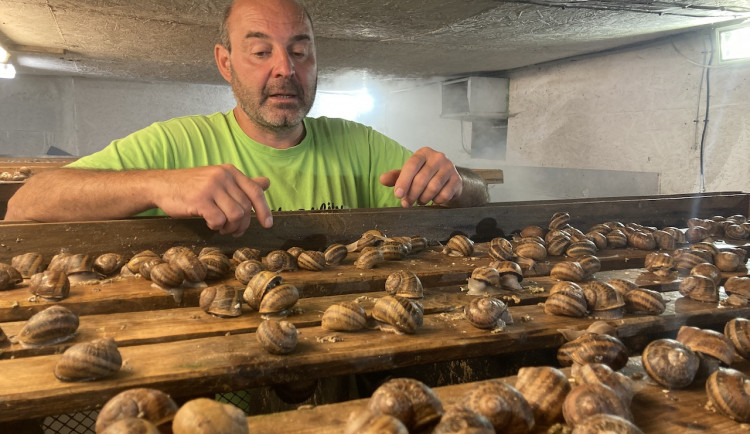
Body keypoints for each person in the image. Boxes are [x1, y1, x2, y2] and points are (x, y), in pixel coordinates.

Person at [5, 0, 489, 236]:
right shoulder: (175, 145)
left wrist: (455, 181)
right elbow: (26, 203)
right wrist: (157, 186)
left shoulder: (359, 144)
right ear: (225, 62)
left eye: (301, 51)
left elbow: (480, 195)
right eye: (261, 51)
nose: (286, 68)